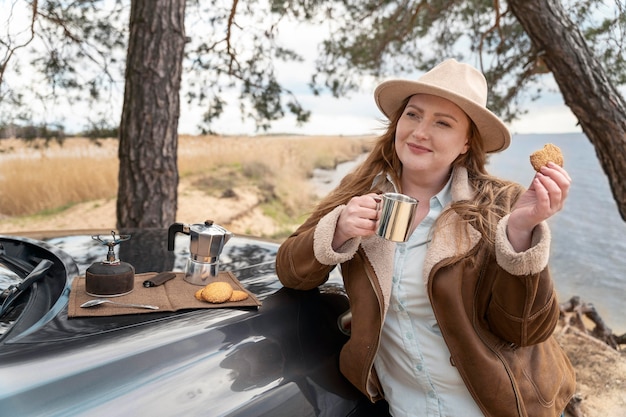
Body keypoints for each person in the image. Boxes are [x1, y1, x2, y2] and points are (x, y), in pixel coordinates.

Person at [275, 59, 576, 417]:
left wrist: (520, 232)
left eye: (443, 123)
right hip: (407, 407)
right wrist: (339, 230)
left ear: (466, 143)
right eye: (413, 115)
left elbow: (525, 330)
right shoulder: (357, 192)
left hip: (498, 407)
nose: (419, 132)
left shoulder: (502, 204)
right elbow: (290, 272)